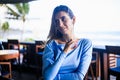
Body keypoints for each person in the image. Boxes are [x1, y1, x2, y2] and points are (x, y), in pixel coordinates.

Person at [42, 5, 93, 80]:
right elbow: (48, 77)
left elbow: (79, 76)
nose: (60, 24)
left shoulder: (85, 44)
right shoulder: (51, 45)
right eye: (57, 21)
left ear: (73, 20)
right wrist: (64, 52)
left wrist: (55, 77)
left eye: (63, 19)